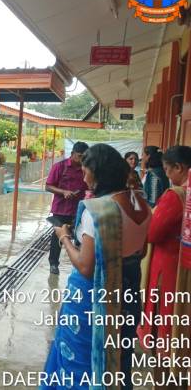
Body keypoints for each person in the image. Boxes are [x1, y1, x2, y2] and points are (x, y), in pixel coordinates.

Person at [43, 144, 151, 390]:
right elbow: (141, 251)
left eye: (86, 171)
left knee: (80, 363)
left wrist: (63, 236)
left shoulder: (97, 211)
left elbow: (86, 266)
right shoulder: (141, 205)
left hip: (91, 302)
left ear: (98, 172)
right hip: (128, 296)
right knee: (119, 358)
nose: (83, 177)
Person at [138, 146, 191, 386]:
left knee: (165, 323)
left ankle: (165, 376)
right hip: (182, 266)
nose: (167, 175)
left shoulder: (177, 195)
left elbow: (152, 232)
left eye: (169, 170)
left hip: (170, 269)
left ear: (179, 167)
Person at [45, 141, 89, 275]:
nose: (82, 159)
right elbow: (48, 186)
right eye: (80, 156)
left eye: (85, 157)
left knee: (80, 236)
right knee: (57, 237)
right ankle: (53, 263)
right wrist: (63, 192)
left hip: (80, 209)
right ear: (72, 154)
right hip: (61, 208)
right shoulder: (59, 167)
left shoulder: (86, 168)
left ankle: (79, 263)